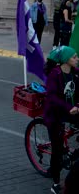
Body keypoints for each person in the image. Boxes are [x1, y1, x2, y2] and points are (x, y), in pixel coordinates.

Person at [43, 46, 79, 194]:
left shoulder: (75, 73)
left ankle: (74, 153)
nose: (77, 59)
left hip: (71, 110)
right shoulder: (55, 74)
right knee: (57, 150)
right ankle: (56, 183)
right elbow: (51, 97)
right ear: (66, 60)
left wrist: (77, 104)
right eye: (74, 57)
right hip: (55, 114)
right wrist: (67, 107)